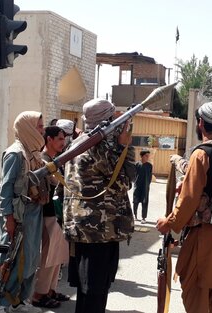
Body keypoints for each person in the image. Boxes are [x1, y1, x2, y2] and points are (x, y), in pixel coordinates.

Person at [157, 102, 212, 313]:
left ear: (200, 123)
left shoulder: (202, 154)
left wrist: (169, 223)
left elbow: (189, 198)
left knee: (196, 296)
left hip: (205, 239)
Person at [64, 98, 135, 313]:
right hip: (99, 229)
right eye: (114, 116)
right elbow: (125, 181)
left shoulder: (80, 141)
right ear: (106, 119)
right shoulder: (100, 147)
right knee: (95, 290)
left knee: (89, 290)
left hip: (87, 227)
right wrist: (124, 146)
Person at [0, 111, 48, 313]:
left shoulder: (33, 152)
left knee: (31, 261)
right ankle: (1, 303)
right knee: (12, 260)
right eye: (39, 127)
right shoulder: (16, 153)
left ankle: (19, 302)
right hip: (18, 217)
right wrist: (8, 219)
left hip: (33, 216)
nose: (42, 131)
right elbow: (5, 190)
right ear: (28, 128)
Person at [31, 126, 70, 309]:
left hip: (55, 213)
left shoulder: (54, 159)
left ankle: (50, 290)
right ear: (49, 140)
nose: (63, 142)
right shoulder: (43, 160)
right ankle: (39, 295)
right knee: (48, 257)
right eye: (60, 139)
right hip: (46, 213)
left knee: (57, 256)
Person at [133, 149, 153, 224]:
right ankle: (135, 216)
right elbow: (134, 175)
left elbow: (150, 176)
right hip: (137, 185)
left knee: (145, 201)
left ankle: (143, 217)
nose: (148, 157)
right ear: (142, 156)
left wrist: (148, 184)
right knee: (135, 201)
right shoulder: (137, 164)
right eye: (146, 156)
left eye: (148, 156)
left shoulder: (149, 166)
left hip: (145, 186)